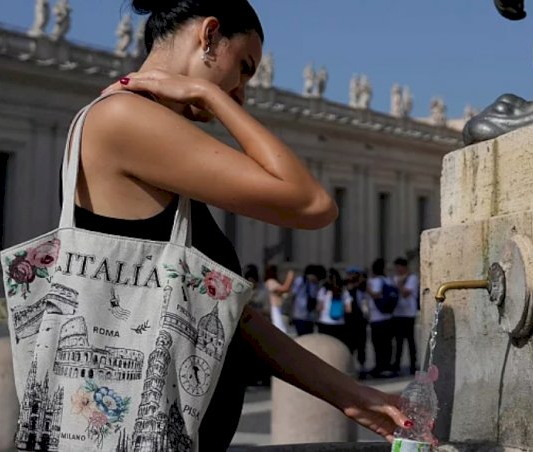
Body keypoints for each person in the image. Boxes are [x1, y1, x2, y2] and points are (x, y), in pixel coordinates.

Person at [91, 1, 411, 448]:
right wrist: (211, 96)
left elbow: (231, 319)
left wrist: (353, 397)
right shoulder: (124, 118)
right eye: (242, 67)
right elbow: (313, 204)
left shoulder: (144, 129)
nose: (241, 91)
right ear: (209, 35)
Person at [366, 258, 396, 378]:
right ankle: (387, 365)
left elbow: (376, 295)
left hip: (377, 318)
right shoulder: (388, 280)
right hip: (388, 316)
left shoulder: (375, 281)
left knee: (378, 344)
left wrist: (367, 289)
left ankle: (380, 366)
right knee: (387, 344)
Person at [391, 257, 419, 376]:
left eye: (399, 267)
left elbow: (405, 293)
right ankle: (396, 365)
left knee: (410, 340)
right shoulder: (395, 278)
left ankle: (413, 364)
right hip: (397, 313)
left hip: (408, 314)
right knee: (399, 341)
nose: (397, 269)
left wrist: (400, 284)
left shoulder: (412, 278)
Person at [316, 268, 352, 345]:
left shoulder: (323, 290)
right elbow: (348, 309)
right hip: (339, 324)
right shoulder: (343, 291)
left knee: (325, 346)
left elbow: (319, 307)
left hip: (325, 322)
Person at [345, 267, 369, 379]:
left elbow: (365, 305)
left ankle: (362, 366)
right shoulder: (345, 290)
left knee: (361, 345)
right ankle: (350, 366)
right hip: (349, 322)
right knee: (350, 346)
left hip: (360, 321)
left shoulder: (362, 290)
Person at [290, 264, 320, 335]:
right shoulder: (300, 281)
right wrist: (291, 313)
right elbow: (293, 296)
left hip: (310, 316)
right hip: (299, 315)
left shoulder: (315, 285)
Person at [264, 263, 295, 333]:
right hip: (274, 309)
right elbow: (285, 288)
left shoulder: (274, 282)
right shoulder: (270, 282)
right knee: (280, 330)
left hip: (280, 309)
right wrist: (290, 277)